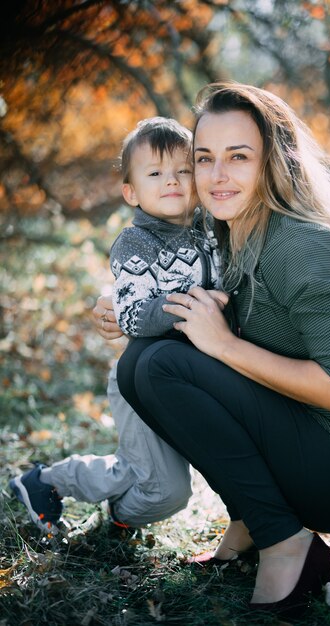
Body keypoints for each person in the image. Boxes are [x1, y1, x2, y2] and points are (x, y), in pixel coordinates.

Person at [115, 83, 330, 616]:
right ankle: (252, 520)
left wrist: (224, 345)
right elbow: (166, 277)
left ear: (275, 163)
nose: (217, 175)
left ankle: (285, 540)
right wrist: (115, 306)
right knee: (139, 361)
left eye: (239, 157)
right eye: (204, 158)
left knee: (160, 364)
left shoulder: (302, 246)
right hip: (297, 429)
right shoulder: (227, 229)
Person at [10, 117, 220, 535]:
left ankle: (118, 511)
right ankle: (50, 482)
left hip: (191, 378)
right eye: (156, 173)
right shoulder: (135, 244)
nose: (173, 181)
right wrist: (197, 305)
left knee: (159, 480)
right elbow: (133, 314)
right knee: (163, 489)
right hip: (140, 381)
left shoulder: (211, 230)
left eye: (183, 170)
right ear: (131, 192)